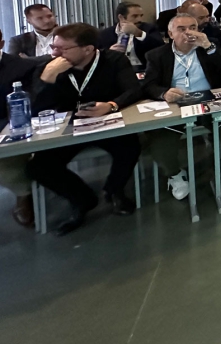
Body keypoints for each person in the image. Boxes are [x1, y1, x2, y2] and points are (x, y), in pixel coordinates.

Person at [28, 23, 141, 235]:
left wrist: (111, 105)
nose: (55, 52)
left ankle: (114, 190)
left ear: (88, 49)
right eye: (54, 46)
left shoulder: (114, 60)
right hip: (67, 125)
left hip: (105, 120)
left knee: (130, 147)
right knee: (38, 167)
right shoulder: (49, 66)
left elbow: (133, 90)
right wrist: (47, 78)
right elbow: (36, 109)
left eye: (63, 49)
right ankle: (82, 200)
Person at [141, 14, 221, 207]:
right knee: (159, 138)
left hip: (208, 101)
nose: (189, 33)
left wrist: (209, 47)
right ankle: (176, 175)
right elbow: (148, 85)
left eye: (193, 27)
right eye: (182, 29)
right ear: (170, 33)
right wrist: (163, 93)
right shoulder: (157, 55)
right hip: (176, 104)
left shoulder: (207, 48)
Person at [0, 25, 40, 227]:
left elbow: (30, 104)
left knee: (3, 161)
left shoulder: (20, 67)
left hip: (10, 125)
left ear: (1, 45)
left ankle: (24, 194)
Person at [97, 1, 164, 69]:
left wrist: (138, 33)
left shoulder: (149, 28)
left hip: (143, 69)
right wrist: (109, 52)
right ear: (121, 17)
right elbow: (96, 54)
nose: (139, 19)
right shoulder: (105, 34)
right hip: (116, 70)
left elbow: (160, 47)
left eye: (141, 16)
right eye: (134, 16)